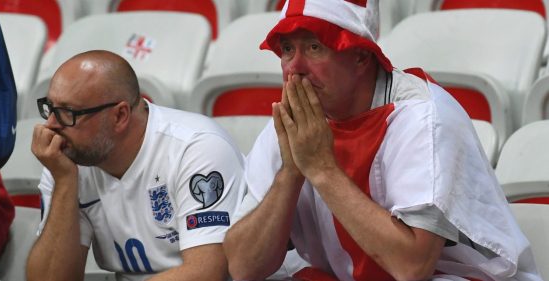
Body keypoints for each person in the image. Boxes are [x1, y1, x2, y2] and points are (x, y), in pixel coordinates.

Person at [223, 0, 542, 280]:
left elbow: (412, 266)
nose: (295, 69)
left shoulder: (423, 117)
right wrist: (291, 172)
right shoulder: (299, 120)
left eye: (314, 47)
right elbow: (242, 267)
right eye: (287, 50)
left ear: (361, 57)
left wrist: (321, 169)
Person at [26, 50, 246, 281]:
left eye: (67, 112)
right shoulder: (67, 160)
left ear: (120, 115)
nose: (50, 125)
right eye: (50, 108)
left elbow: (208, 272)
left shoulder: (196, 148)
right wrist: (64, 183)